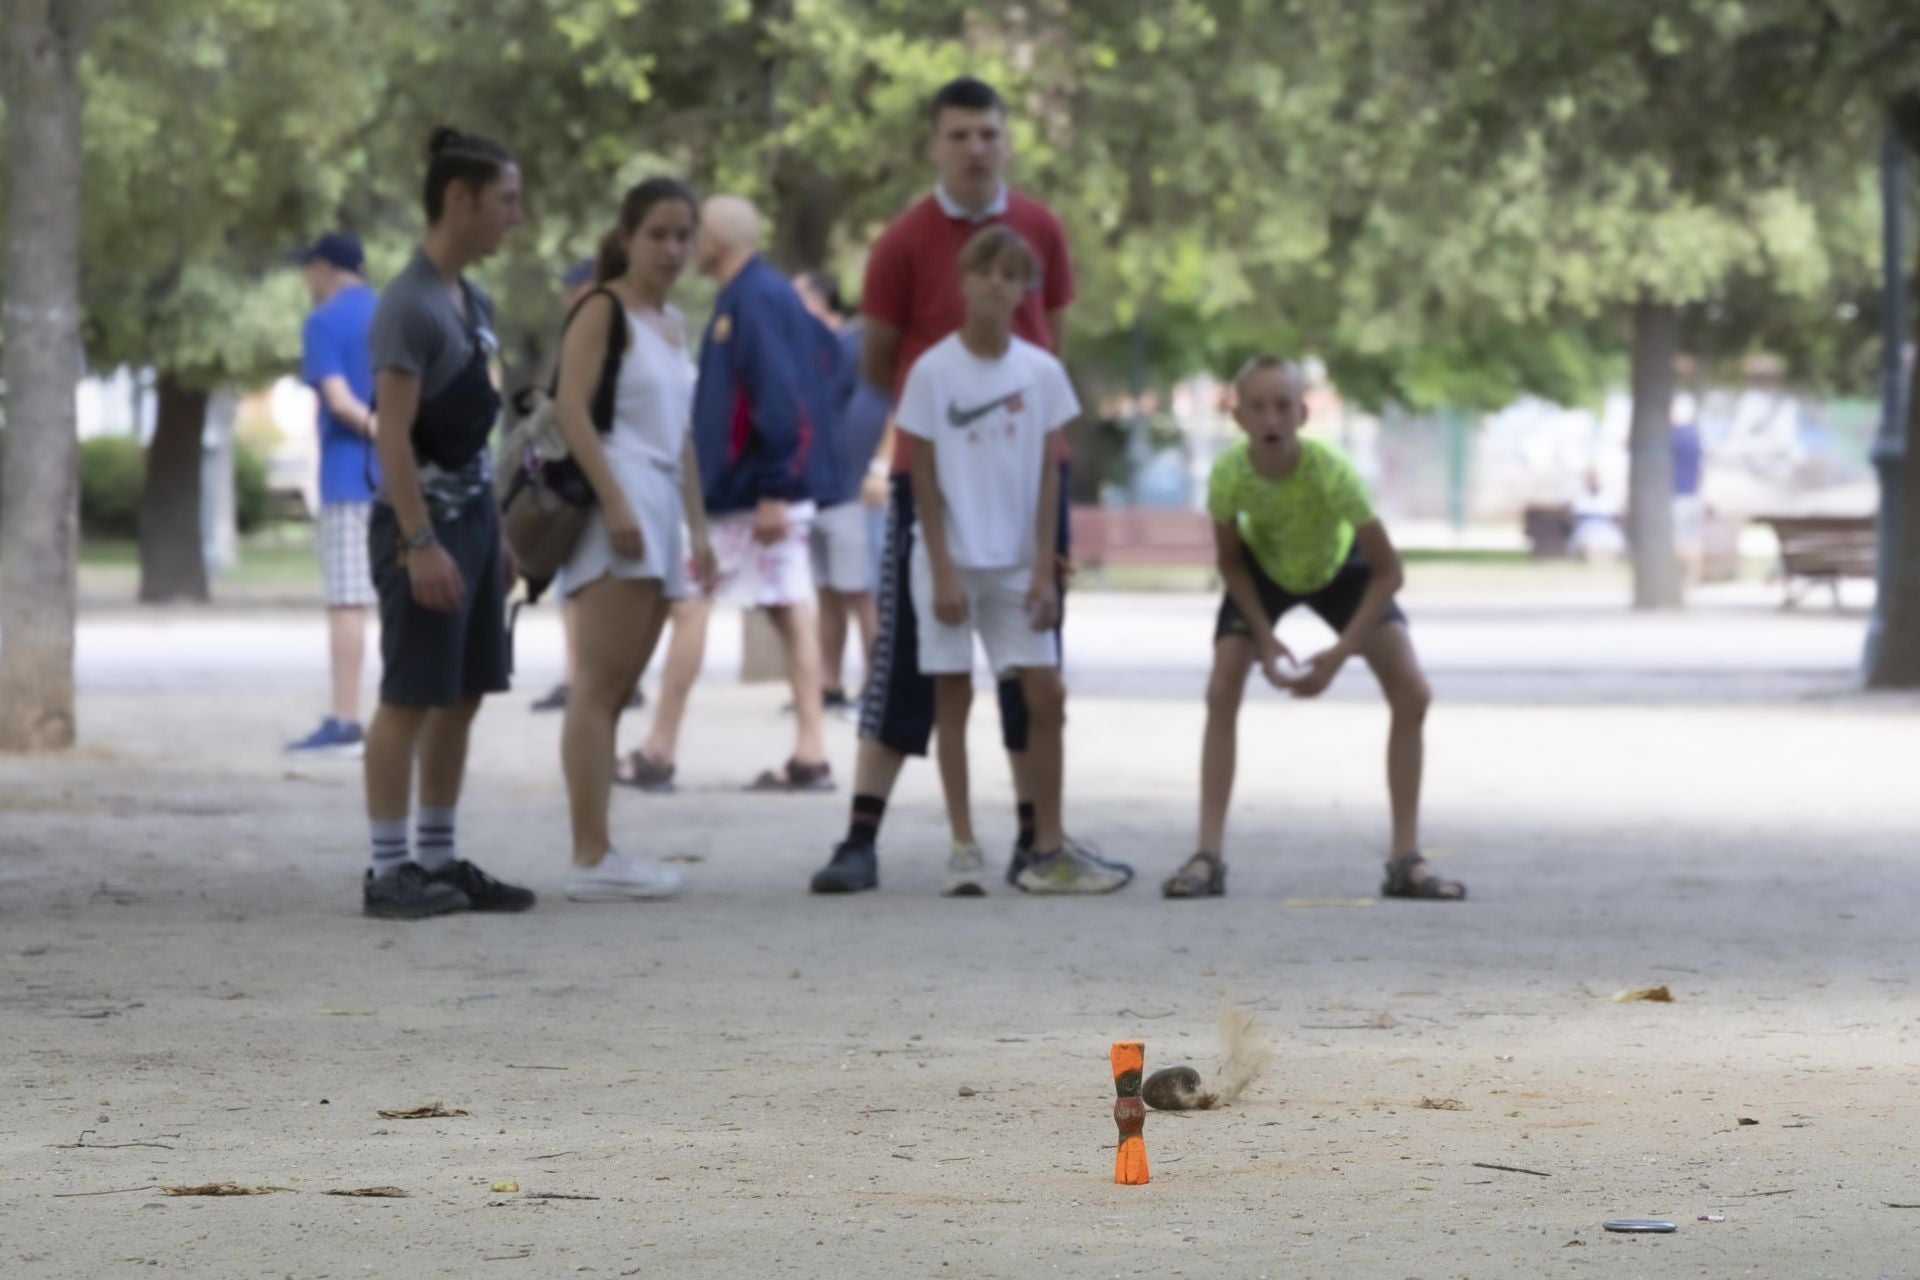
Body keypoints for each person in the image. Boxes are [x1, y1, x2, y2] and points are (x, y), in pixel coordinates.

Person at [809, 74, 1130, 894]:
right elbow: (882, 361)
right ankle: (860, 836)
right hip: (936, 487)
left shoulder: (1041, 230)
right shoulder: (903, 241)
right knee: (910, 660)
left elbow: (1047, 342)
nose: (976, 147)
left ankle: (1036, 842)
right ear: (935, 144)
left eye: (989, 132)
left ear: (1006, 139)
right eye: (959, 134)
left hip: (1028, 482)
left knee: (1032, 657)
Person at [1158, 357, 1462, 903]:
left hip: (1339, 571)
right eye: (1258, 406)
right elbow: (1229, 563)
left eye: (1282, 406)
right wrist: (1262, 636)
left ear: (1301, 413)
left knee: (1413, 692)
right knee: (1222, 684)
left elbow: (1390, 572)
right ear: (1238, 416)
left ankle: (1405, 860)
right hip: (1263, 572)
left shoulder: (1331, 473)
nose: (1271, 417)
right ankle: (1207, 855)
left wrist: (1341, 653)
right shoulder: (1229, 474)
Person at [359, 126, 535, 920]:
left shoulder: (475, 300)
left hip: (471, 526)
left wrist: (493, 530)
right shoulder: (409, 304)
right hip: (418, 531)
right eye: (506, 201)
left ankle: (437, 857)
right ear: (458, 199)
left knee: (463, 692)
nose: (516, 217)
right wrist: (419, 539)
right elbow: (391, 433)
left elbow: (474, 435)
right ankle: (388, 871)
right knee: (409, 696)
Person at [900, 227, 1078, 895]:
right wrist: (942, 570)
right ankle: (963, 842)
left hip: (1016, 566)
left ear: (1024, 289)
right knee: (954, 696)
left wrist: (1043, 569)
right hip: (949, 560)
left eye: (1011, 274)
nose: (997, 283)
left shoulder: (1041, 372)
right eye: (986, 271)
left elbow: (1050, 476)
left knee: (1046, 694)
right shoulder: (932, 371)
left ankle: (1050, 843)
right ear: (964, 283)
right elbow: (920, 478)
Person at [552, 178, 709, 901]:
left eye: (684, 234)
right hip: (617, 494)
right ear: (626, 236)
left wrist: (698, 527)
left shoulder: (672, 322)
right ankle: (590, 854)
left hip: (658, 504)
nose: (672, 249)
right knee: (597, 684)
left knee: (618, 690)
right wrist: (615, 502)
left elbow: (679, 438)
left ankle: (602, 848)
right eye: (658, 234)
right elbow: (571, 411)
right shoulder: (601, 308)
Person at [679, 194, 836, 792]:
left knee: (691, 597)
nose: (687, 244)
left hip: (758, 490)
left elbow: (779, 396)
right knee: (787, 610)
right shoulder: (742, 295)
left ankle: (660, 747)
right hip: (749, 488)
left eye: (693, 232)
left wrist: (774, 486)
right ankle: (811, 751)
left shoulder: (757, 297)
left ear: (715, 239)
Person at [287, 233, 380, 758]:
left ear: (323, 268)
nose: (307, 282)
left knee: (348, 600)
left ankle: (345, 717)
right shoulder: (392, 313)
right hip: (402, 478)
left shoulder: (322, 322)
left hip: (350, 476)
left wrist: (380, 429)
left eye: (308, 271)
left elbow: (341, 402)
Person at [794, 269, 889, 711]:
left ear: (820, 301)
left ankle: (878, 682)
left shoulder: (855, 346)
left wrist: (876, 468)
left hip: (850, 487)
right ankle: (827, 684)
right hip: (814, 489)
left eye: (798, 297)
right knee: (827, 591)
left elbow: (886, 406)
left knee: (858, 590)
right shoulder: (805, 353)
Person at [1671, 402, 1705, 583]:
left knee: (1678, 539)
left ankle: (1678, 577)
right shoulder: (1694, 436)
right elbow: (1701, 467)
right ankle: (1693, 578)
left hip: (1677, 495)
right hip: (1693, 494)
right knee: (1693, 538)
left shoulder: (1672, 437)